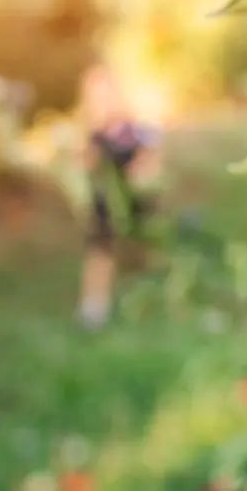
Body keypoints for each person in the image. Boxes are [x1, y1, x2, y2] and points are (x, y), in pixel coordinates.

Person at [76, 65, 160, 329]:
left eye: (108, 95)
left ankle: (149, 294)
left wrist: (142, 171)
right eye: (98, 98)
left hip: (135, 199)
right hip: (105, 202)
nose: (105, 103)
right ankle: (94, 307)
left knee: (146, 245)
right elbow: (83, 166)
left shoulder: (135, 131)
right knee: (101, 250)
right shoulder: (93, 136)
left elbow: (151, 162)